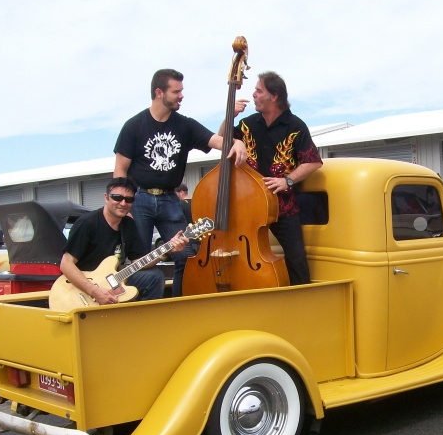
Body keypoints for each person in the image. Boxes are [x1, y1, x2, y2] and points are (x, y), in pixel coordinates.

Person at [113, 68, 246, 297]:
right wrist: (123, 206)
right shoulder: (134, 126)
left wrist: (236, 142)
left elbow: (217, 141)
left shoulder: (185, 125)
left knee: (187, 255)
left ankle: (176, 304)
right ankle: (139, 310)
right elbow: (120, 170)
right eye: (176, 91)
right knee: (138, 261)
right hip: (139, 198)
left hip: (169, 199)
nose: (181, 96)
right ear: (159, 92)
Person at [223, 71, 322, 285]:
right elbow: (221, 139)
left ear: (274, 96)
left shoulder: (295, 126)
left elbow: (313, 162)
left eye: (259, 90)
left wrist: (287, 180)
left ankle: (301, 302)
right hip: (249, 204)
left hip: (282, 204)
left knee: (296, 258)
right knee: (241, 254)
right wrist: (229, 116)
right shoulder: (249, 123)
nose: (254, 95)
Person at [60, 177, 188, 305]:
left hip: (115, 279)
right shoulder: (87, 223)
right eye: (117, 197)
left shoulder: (129, 225)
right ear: (106, 197)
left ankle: (144, 321)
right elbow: (66, 264)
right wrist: (94, 291)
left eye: (129, 199)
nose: (123, 203)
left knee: (154, 276)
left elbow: (138, 261)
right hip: (85, 286)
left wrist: (166, 251)